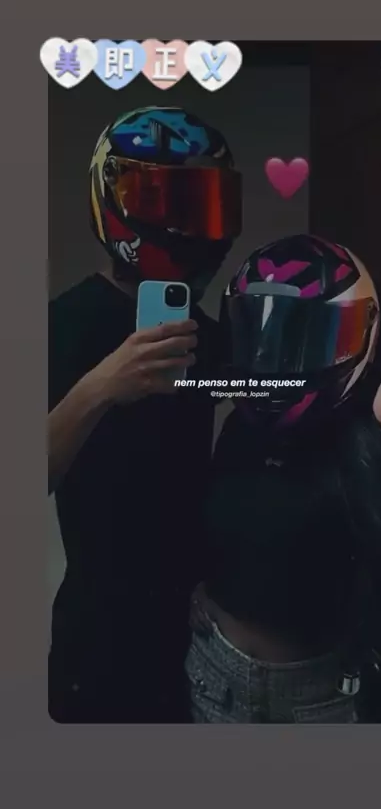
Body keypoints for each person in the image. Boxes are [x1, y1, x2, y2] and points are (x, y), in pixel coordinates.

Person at [186, 234, 381, 724]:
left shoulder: (365, 441)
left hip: (318, 696)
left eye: (303, 340)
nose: (279, 362)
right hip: (214, 678)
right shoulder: (238, 429)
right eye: (266, 338)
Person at [48, 107, 242, 723]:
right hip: (99, 637)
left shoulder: (203, 335)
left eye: (204, 206)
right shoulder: (64, 324)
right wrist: (104, 385)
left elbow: (263, 408)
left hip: (196, 635)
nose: (190, 227)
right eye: (168, 203)